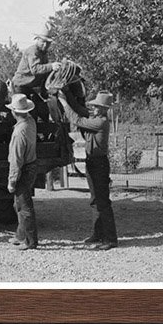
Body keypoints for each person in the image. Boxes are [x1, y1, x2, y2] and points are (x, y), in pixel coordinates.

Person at [58, 90, 118, 250]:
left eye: (98, 107)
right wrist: (67, 94)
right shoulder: (97, 118)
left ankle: (111, 239)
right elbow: (80, 109)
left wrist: (63, 102)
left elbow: (76, 119)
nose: (94, 108)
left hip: (99, 163)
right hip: (93, 162)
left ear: (104, 109)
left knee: (102, 202)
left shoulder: (100, 122)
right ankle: (98, 234)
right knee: (95, 200)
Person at [5, 93, 39, 251]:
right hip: (32, 164)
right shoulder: (30, 122)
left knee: (24, 207)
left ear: (13, 112)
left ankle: (31, 241)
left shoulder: (19, 133)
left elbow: (16, 160)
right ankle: (20, 235)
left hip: (24, 169)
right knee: (19, 203)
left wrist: (12, 181)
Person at [11, 33, 62, 100]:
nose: (45, 45)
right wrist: (51, 66)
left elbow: (44, 71)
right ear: (37, 39)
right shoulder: (33, 51)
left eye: (48, 43)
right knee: (23, 108)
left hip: (29, 87)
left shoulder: (43, 53)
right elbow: (35, 69)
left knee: (41, 107)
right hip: (20, 86)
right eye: (43, 42)